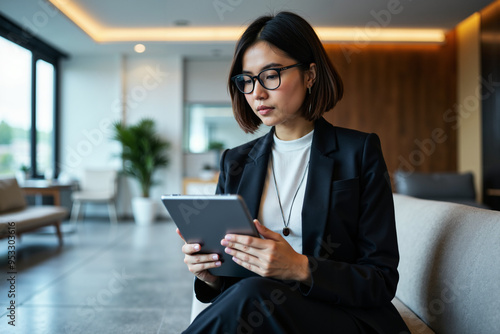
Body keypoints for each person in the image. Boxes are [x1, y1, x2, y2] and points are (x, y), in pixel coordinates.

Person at [178, 11, 410, 333]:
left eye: (270, 75)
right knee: (253, 295)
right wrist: (210, 275)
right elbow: (230, 274)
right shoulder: (235, 162)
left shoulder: (358, 152)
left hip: (343, 317)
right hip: (262, 312)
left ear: (310, 74)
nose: (257, 93)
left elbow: (381, 280)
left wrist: (300, 267)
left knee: (254, 294)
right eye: (246, 80)